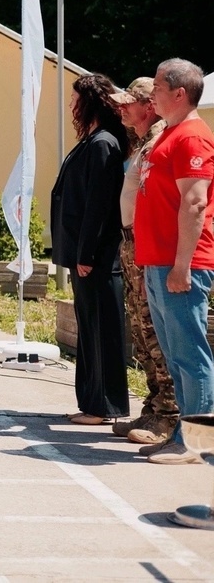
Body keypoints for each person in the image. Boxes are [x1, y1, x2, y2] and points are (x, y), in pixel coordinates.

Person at [133, 58, 214, 465]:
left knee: (190, 354)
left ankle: (197, 444)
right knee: (175, 354)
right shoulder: (171, 134)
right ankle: (183, 435)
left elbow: (196, 202)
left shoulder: (193, 138)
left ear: (179, 93)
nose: (152, 96)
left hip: (181, 264)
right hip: (159, 262)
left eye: (159, 88)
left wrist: (182, 266)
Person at [51, 74, 129, 425]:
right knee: (90, 327)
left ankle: (104, 407)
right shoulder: (93, 140)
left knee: (101, 330)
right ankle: (92, 403)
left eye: (75, 99)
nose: (71, 105)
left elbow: (99, 205)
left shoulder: (103, 144)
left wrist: (86, 254)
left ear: (91, 102)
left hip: (95, 257)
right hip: (83, 254)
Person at [110, 77, 178, 446]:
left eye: (129, 103)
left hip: (149, 246)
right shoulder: (140, 143)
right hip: (133, 244)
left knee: (155, 333)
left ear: (149, 105)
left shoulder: (159, 141)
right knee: (141, 332)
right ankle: (154, 406)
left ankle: (168, 415)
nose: (122, 109)